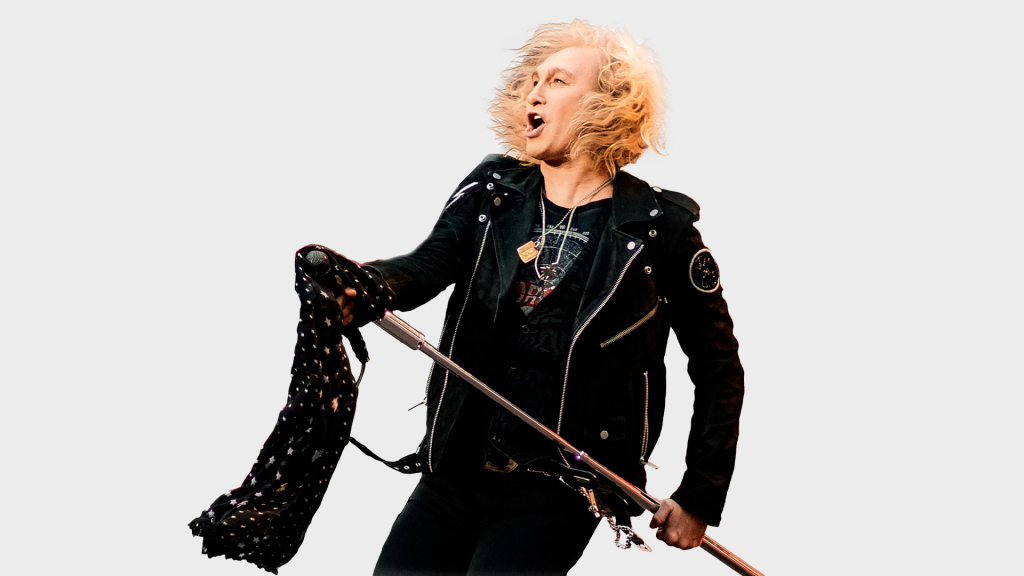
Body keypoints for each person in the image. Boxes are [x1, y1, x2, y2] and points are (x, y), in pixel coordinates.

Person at [336, 20, 744, 576]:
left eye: (557, 81)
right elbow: (427, 265)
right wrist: (366, 285)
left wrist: (700, 493)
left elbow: (719, 366)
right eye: (532, 80)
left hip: (562, 485)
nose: (534, 92)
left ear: (607, 103)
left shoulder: (659, 229)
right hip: (454, 468)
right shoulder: (494, 191)